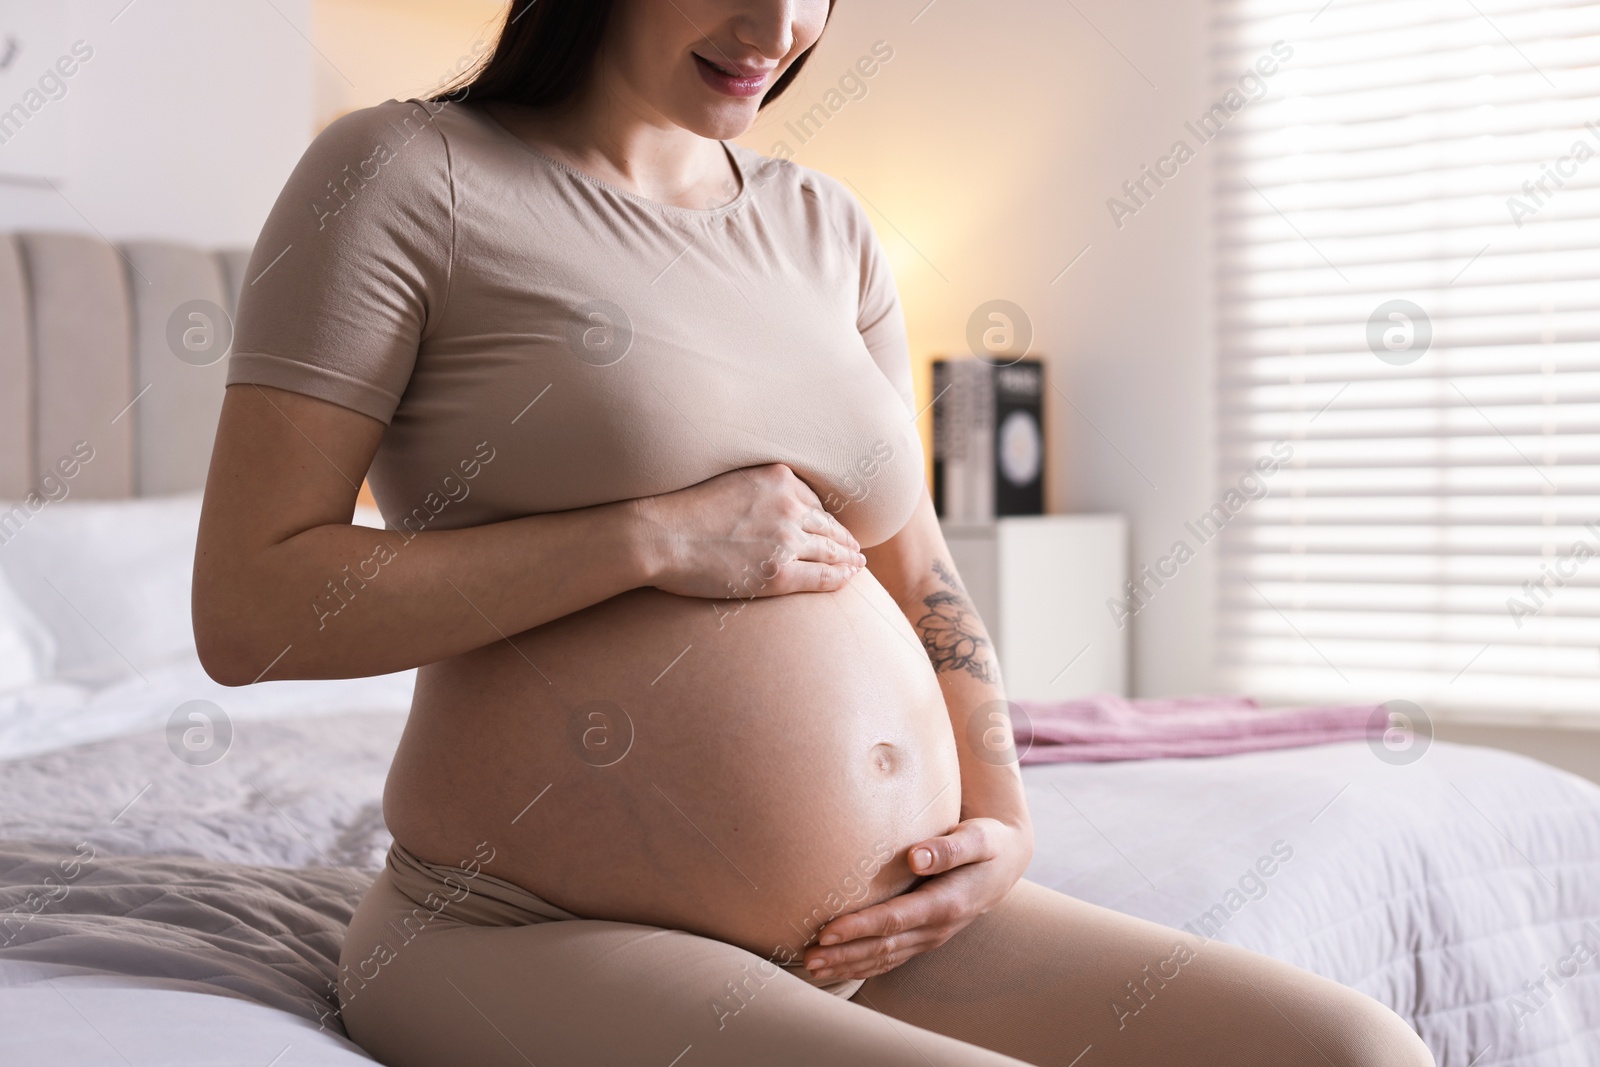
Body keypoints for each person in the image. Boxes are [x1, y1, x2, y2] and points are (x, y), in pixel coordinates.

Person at [193, 2, 1435, 1063]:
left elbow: (921, 568)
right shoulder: (405, 172)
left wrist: (999, 818)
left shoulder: (822, 227)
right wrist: (648, 538)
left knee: (1356, 1050)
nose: (781, 30)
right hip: (529, 925)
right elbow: (248, 606)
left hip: (882, 926)